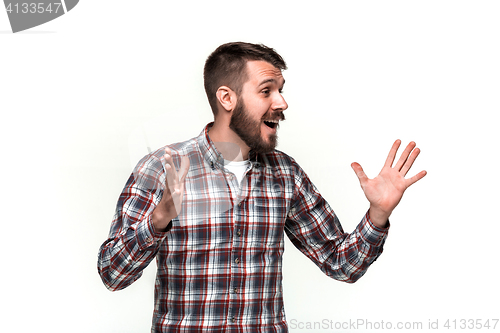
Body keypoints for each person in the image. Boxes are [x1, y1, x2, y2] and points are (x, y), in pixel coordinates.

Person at [98, 42, 426, 333]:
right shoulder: (161, 167)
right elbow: (112, 274)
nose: (282, 103)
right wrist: (158, 222)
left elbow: (341, 264)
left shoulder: (285, 174)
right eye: (267, 91)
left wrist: (378, 214)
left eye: (281, 90)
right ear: (227, 98)